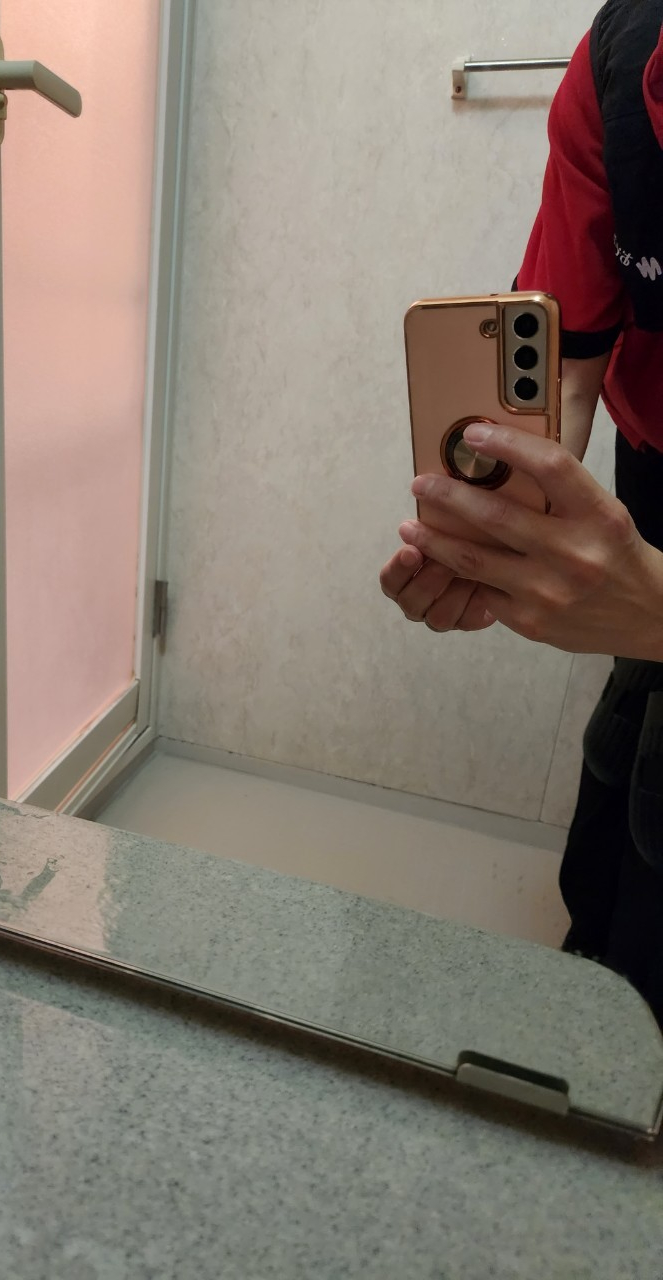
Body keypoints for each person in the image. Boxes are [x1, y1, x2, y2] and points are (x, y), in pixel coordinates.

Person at [380, 0, 663, 1022]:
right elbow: (569, 370)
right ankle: (591, 965)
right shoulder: (623, 60)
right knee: (623, 742)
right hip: (657, 454)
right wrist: (506, 529)